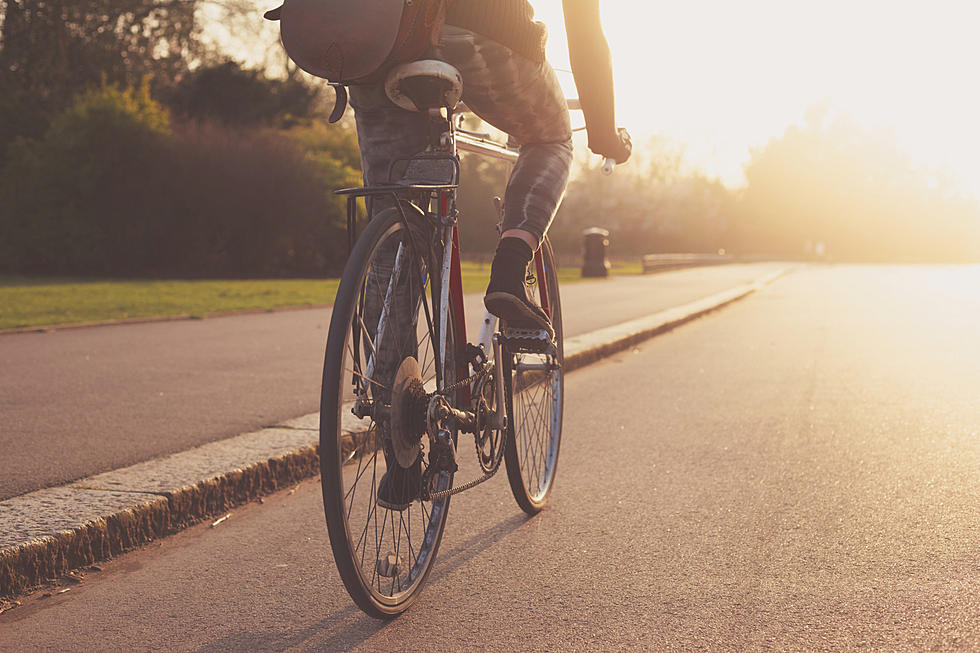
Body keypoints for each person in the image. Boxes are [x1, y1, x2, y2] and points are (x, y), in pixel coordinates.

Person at [348, 0, 631, 509]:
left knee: (398, 239)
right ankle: (511, 264)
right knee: (549, 137)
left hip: (371, 43)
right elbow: (585, 30)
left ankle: (400, 447)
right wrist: (606, 131)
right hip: (477, 32)